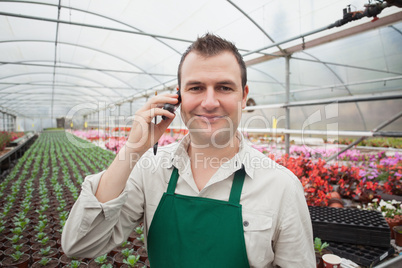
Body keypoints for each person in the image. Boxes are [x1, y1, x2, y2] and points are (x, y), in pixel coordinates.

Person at [62, 33, 315, 268]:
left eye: (224, 87)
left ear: (243, 96)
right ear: (178, 96)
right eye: (196, 88)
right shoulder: (151, 170)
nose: (209, 102)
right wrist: (132, 150)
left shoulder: (281, 186)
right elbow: (80, 244)